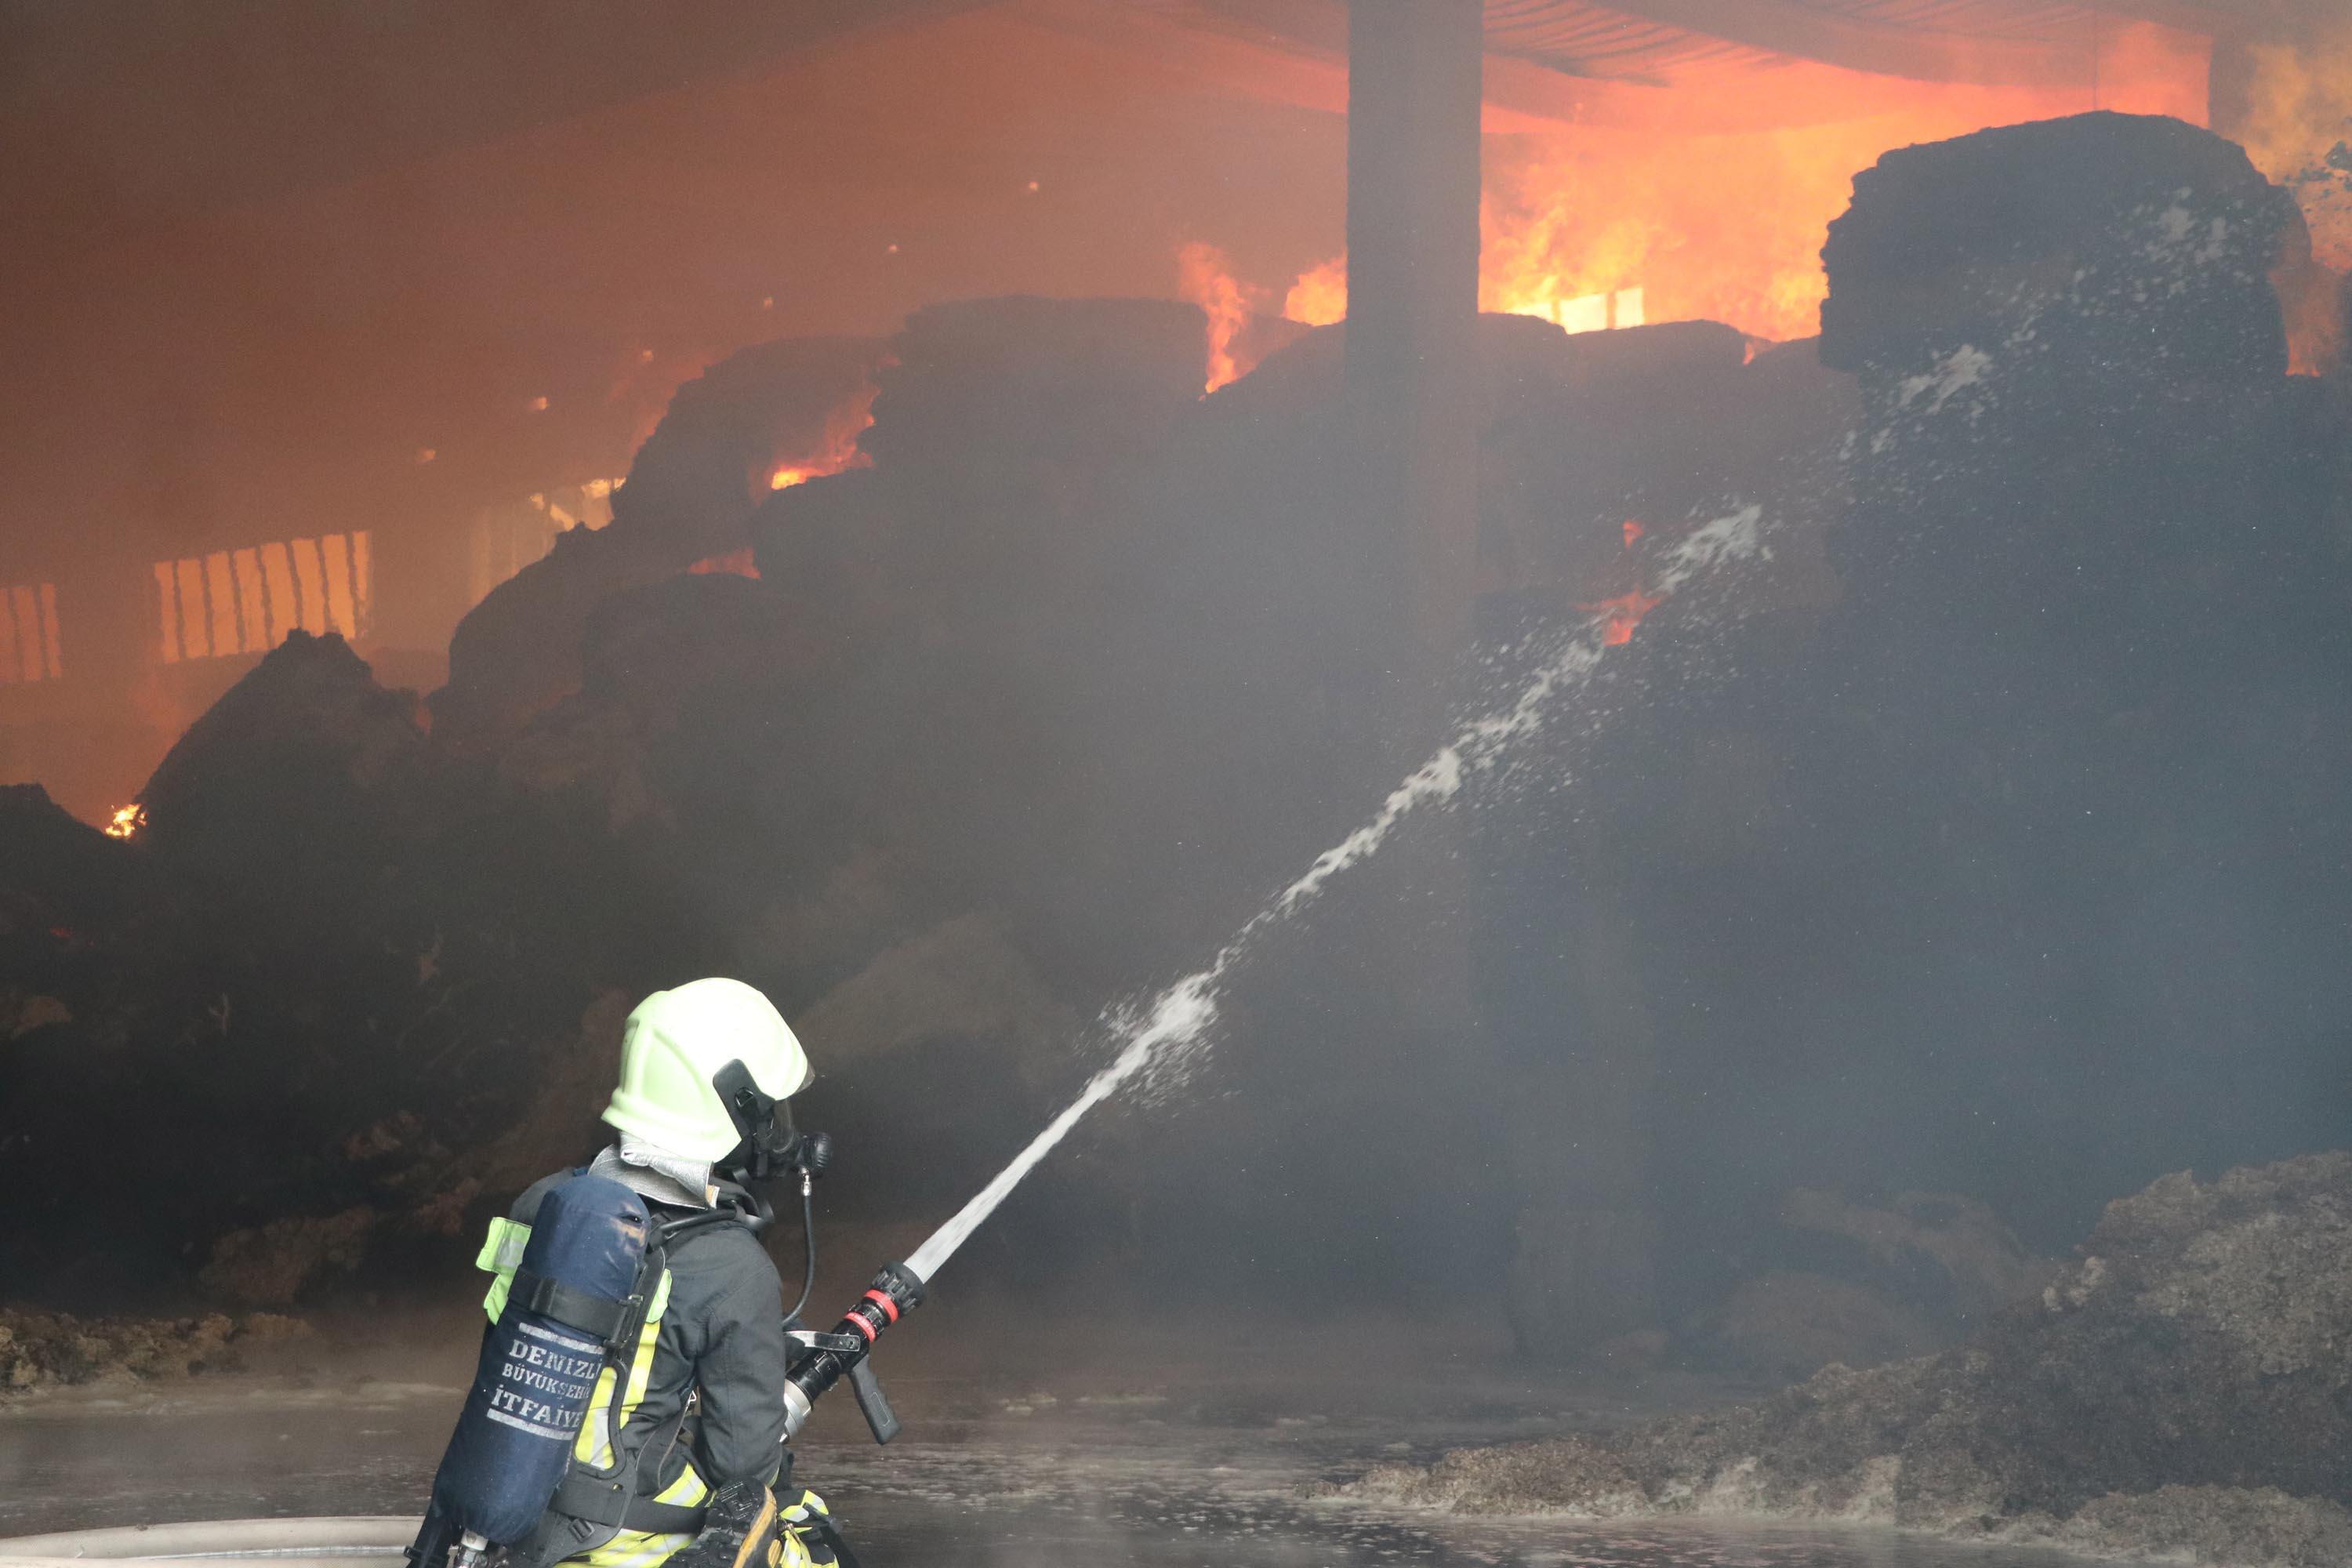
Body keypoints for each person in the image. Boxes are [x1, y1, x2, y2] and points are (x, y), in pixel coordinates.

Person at [473, 978, 847, 1568]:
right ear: (734, 1105)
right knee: (806, 1540)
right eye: (767, 1109)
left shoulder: (542, 1206)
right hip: (627, 1545)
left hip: (504, 1525)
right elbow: (742, 1469)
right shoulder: (730, 1268)